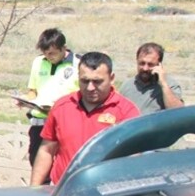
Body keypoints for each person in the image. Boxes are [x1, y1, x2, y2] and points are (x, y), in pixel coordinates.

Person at [30, 51, 141, 186]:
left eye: (97, 81)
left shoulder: (126, 112)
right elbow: (47, 149)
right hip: (63, 191)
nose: (90, 87)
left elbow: (134, 158)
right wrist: (34, 188)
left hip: (106, 194)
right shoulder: (62, 106)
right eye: (84, 81)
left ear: (111, 78)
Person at [21, 28, 79, 169]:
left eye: (52, 53)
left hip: (65, 124)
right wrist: (26, 100)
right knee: (38, 165)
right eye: (46, 54)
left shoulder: (78, 64)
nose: (49, 57)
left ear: (63, 48)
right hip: (40, 124)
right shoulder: (38, 62)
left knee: (64, 166)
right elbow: (32, 91)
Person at [119, 42, 185, 113]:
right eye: (142, 63)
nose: (145, 68)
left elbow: (178, 112)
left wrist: (163, 85)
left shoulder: (170, 85)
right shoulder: (127, 85)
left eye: (150, 64)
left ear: (159, 64)